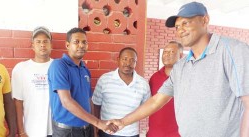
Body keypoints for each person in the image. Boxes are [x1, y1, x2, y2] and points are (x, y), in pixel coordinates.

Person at [108, 2, 249, 137]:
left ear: (205, 20)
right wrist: (123, 122)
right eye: (177, 27)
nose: (180, 30)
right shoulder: (181, 66)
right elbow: (157, 100)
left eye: (185, 23)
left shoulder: (233, 50)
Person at [48, 27, 117, 137]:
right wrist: (98, 123)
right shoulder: (59, 65)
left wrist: (93, 128)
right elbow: (66, 101)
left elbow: (89, 100)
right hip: (67, 131)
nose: (81, 45)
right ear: (67, 45)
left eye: (84, 42)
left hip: (86, 129)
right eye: (76, 42)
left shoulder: (85, 69)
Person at [92, 47, 150, 137]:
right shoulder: (104, 79)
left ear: (136, 63)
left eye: (132, 60)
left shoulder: (143, 84)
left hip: (132, 134)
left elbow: (145, 109)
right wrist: (95, 130)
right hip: (106, 133)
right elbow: (96, 105)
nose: (128, 63)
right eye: (125, 59)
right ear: (118, 60)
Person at [12, 26, 53, 137]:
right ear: (33, 46)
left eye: (45, 41)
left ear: (51, 45)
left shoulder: (58, 66)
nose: (42, 45)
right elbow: (17, 102)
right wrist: (21, 131)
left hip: (56, 130)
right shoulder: (21, 69)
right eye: (38, 41)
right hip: (31, 130)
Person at [147, 41, 183, 137]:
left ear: (181, 55)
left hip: (178, 133)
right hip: (154, 132)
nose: (167, 55)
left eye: (171, 52)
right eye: (165, 52)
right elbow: (151, 102)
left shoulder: (186, 77)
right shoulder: (154, 77)